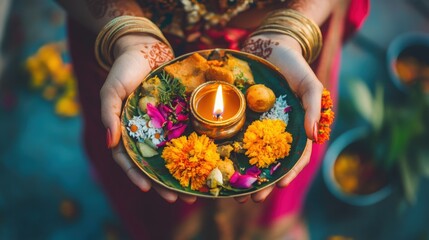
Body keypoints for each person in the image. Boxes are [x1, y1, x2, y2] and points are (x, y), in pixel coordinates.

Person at [56, 0, 368, 239]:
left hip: (278, 54)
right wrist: (128, 35)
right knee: (153, 184)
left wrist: (292, 30)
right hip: (138, 59)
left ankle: (266, 228)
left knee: (285, 156)